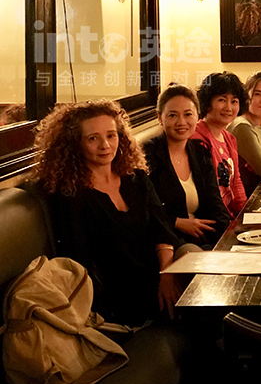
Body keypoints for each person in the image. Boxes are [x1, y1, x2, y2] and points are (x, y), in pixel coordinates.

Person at [31, 99, 181, 325]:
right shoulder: (71, 195)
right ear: (75, 144)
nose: (105, 145)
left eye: (111, 135)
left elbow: (162, 228)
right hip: (117, 296)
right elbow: (81, 260)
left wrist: (167, 274)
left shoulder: (136, 178)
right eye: (93, 138)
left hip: (159, 273)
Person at [144, 85, 229, 250]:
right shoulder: (148, 156)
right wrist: (177, 222)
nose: (181, 122)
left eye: (188, 114)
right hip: (167, 241)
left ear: (197, 116)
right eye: (172, 115)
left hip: (203, 241)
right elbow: (146, 210)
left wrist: (224, 240)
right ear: (160, 117)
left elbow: (215, 203)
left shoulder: (200, 151)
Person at [193, 72, 248, 221]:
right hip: (214, 220)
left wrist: (245, 214)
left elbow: (236, 181)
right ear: (207, 102)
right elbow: (206, 192)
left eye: (234, 101)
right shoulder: (196, 139)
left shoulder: (229, 138)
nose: (228, 107)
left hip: (230, 218)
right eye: (222, 100)